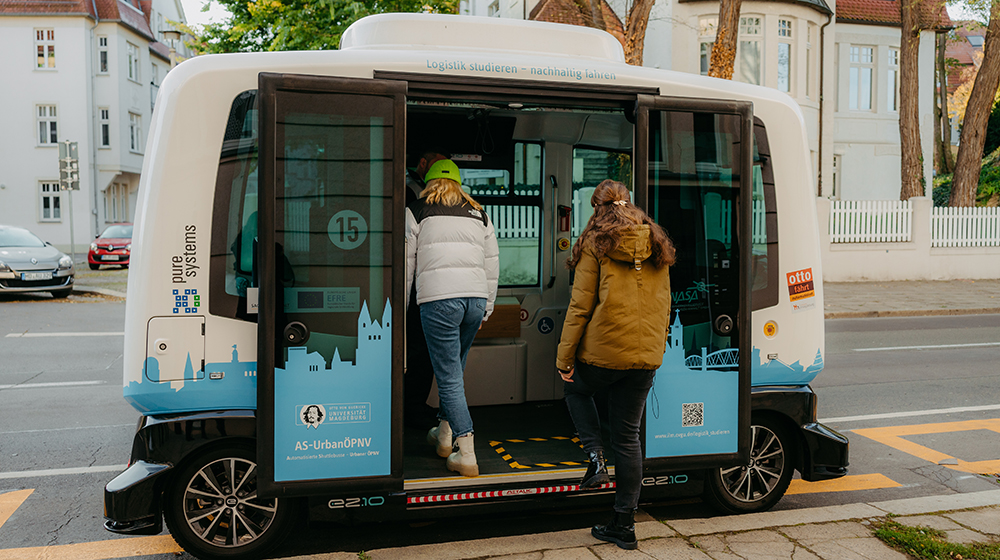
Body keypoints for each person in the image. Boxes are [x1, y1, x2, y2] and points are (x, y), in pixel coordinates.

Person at [556, 179, 675, 550]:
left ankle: (594, 456)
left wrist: (564, 358)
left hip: (604, 354)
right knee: (627, 438)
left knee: (575, 388)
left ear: (597, 208)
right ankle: (623, 525)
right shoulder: (656, 243)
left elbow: (580, 307)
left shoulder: (597, 243)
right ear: (630, 206)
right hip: (645, 357)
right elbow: (665, 304)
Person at [405, 159, 499, 477]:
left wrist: (403, 305)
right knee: (455, 371)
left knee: (448, 377)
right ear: (460, 183)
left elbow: (408, 263)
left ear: (428, 182)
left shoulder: (417, 210)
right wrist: (488, 305)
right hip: (474, 300)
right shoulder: (479, 213)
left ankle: (466, 451)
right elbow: (492, 263)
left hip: (439, 300)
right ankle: (444, 438)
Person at [404, 149, 449, 428]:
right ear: (422, 164)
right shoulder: (411, 195)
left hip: (427, 287)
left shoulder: (422, 198)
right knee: (422, 352)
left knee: (429, 354)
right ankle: (412, 405)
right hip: (418, 289)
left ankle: (416, 403)